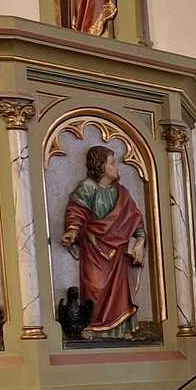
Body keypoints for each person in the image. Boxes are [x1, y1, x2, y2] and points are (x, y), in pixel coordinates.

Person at [61, 145, 146, 340]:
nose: (117, 167)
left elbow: (136, 221)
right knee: (95, 287)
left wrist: (140, 242)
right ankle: (93, 326)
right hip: (94, 249)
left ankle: (120, 329)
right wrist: (72, 231)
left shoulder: (122, 193)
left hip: (118, 254)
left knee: (120, 293)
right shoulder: (88, 187)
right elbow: (76, 211)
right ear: (101, 166)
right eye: (112, 163)